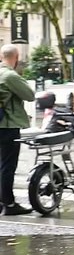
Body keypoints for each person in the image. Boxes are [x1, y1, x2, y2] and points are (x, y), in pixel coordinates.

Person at [0, 44, 35, 215]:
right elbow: (30, 95)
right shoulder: (10, 75)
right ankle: (9, 204)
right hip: (8, 125)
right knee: (8, 166)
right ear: (16, 57)